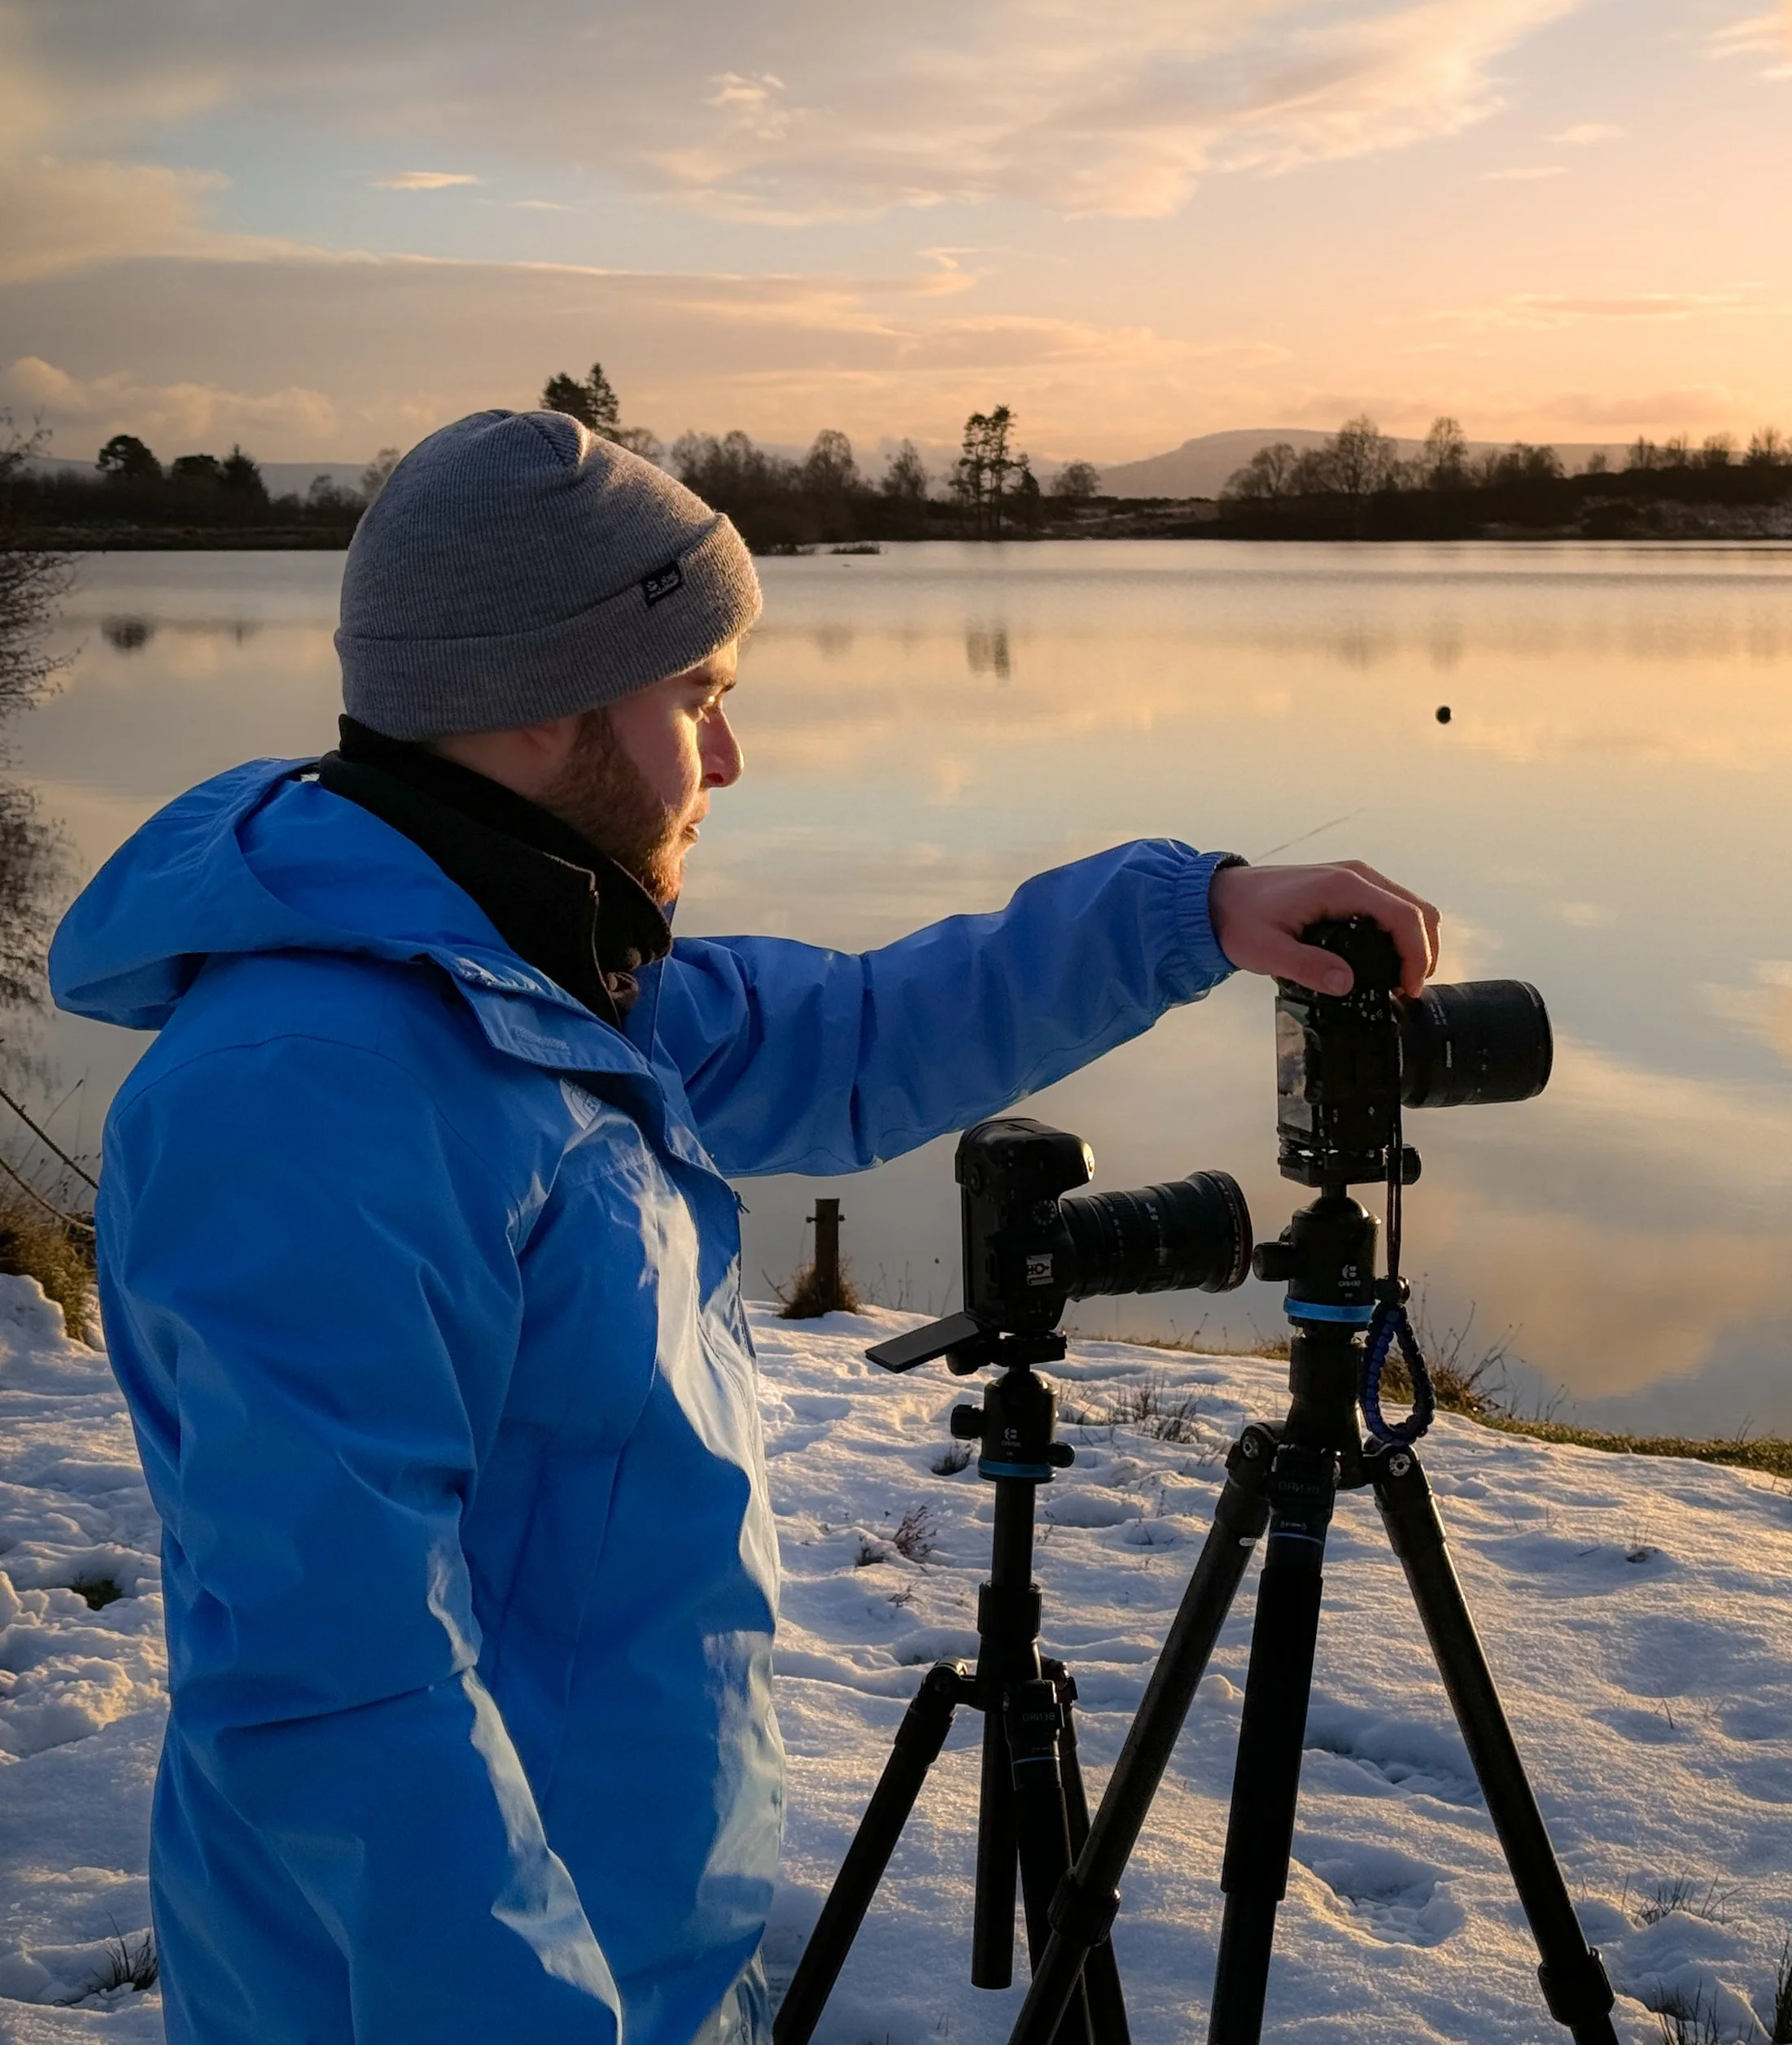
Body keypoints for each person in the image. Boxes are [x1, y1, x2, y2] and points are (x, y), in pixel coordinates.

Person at [49, 409, 1440, 2045]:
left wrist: (1190, 912)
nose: (726, 760)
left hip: (616, 1937)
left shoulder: (542, 976)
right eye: (696, 699)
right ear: (541, 703)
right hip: (441, 1993)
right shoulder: (309, 1090)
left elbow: (850, 1035)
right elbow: (333, 1679)